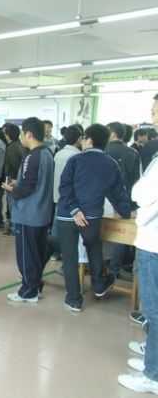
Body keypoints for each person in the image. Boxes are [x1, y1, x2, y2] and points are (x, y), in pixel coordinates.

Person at [57, 124, 132, 312]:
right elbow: (118, 193)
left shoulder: (75, 160)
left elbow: (64, 186)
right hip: (91, 215)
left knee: (70, 257)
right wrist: (126, 212)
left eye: (84, 138)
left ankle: (74, 299)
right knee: (94, 246)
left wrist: (74, 210)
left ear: (89, 140)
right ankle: (99, 285)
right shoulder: (110, 163)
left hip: (67, 215)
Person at [118, 93, 158, 394]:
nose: (153, 115)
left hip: (153, 242)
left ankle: (152, 375)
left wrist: (139, 190)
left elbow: (141, 194)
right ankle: (151, 355)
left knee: (154, 309)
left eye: (155, 110)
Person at [2, 118, 54, 303]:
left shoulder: (32, 157)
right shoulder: (47, 153)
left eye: (22, 134)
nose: (21, 137)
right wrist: (20, 183)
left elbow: (27, 188)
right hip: (41, 213)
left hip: (28, 214)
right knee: (36, 253)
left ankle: (28, 291)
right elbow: (35, 181)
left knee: (26, 255)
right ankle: (35, 286)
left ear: (29, 134)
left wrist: (12, 189)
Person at [106, 122, 141, 279]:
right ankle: (114, 269)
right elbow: (136, 181)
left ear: (113, 134)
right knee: (119, 235)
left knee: (98, 233)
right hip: (122, 201)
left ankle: (94, 267)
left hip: (100, 200)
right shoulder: (132, 153)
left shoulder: (101, 150)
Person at [48, 125, 82, 260]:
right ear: (79, 139)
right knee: (69, 227)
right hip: (71, 197)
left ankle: (55, 252)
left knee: (56, 224)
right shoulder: (77, 156)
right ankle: (65, 252)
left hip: (57, 195)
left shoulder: (58, 154)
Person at [3, 123, 26, 235]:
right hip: (18, 179)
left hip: (12, 179)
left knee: (12, 204)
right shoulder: (20, 145)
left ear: (8, 135)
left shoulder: (11, 148)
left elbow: (14, 165)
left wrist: (11, 180)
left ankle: (14, 228)